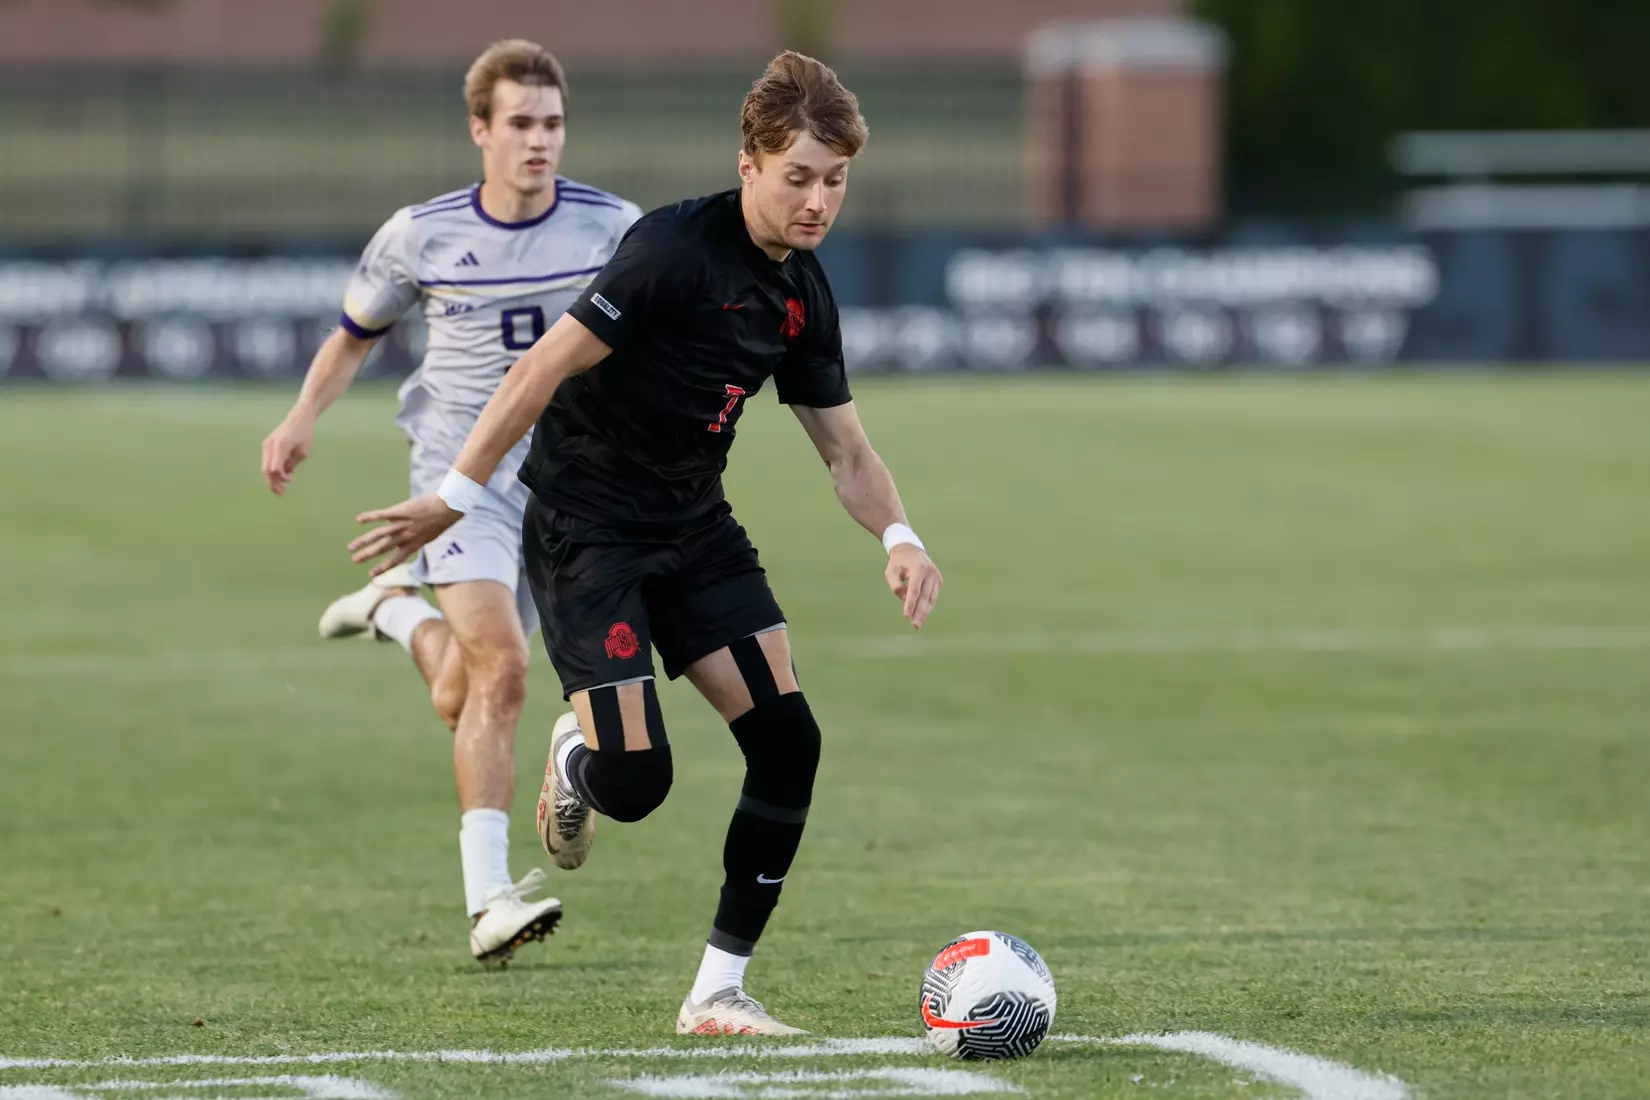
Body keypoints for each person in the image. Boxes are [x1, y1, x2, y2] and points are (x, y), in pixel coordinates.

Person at [347, 50, 943, 1034]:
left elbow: (846, 447)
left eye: (835, 180)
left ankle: (716, 990)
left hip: (695, 527)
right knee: (639, 781)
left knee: (789, 740)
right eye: (799, 176)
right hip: (588, 529)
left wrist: (901, 534)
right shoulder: (670, 249)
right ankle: (581, 753)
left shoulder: (803, 290)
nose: (818, 201)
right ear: (748, 163)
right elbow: (539, 368)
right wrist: (453, 499)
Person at [259, 39, 641, 966]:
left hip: (564, 482)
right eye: (519, 124)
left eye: (551, 124)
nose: (538, 141)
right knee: (505, 674)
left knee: (462, 689)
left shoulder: (612, 227)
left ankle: (394, 612)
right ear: (480, 130)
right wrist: (303, 414)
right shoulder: (420, 234)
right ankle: (489, 902)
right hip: (456, 484)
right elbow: (357, 332)